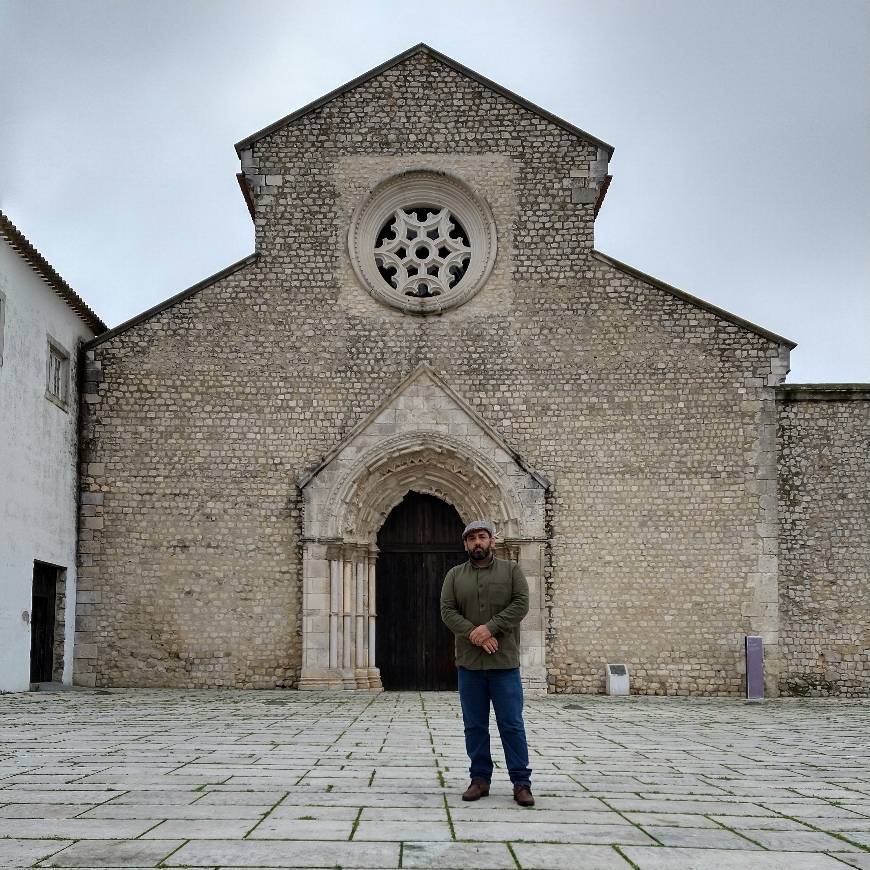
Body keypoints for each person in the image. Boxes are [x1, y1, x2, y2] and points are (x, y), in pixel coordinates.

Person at [440, 519, 534, 807]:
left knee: (512, 724)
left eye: (482, 537)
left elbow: (521, 603)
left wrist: (490, 628)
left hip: (504, 663)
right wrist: (474, 634)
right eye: (472, 539)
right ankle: (479, 779)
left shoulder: (511, 571)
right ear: (465, 544)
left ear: (492, 541)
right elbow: (447, 610)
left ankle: (521, 782)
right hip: (470, 664)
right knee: (474, 726)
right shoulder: (455, 575)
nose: (477, 543)